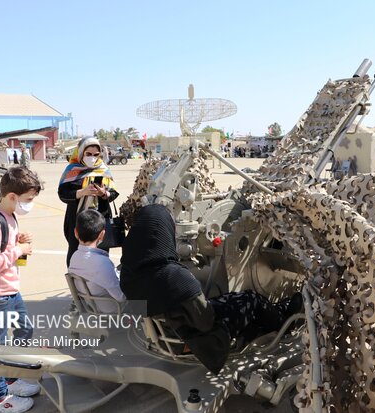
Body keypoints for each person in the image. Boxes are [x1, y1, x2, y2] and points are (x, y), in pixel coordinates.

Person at [119, 204, 302, 374]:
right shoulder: (175, 279)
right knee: (250, 300)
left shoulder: (130, 276)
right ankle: (284, 320)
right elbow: (206, 320)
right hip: (191, 339)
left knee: (232, 298)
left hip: (166, 333)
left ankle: (272, 315)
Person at [0, 166, 42, 413]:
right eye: (28, 200)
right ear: (12, 196)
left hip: (11, 291)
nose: (30, 205)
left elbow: (5, 252)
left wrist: (17, 242)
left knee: (25, 330)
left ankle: (11, 378)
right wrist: (18, 251)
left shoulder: (10, 217)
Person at [58, 137, 119, 266]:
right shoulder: (72, 170)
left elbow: (113, 193)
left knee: (101, 254)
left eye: (96, 155)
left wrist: (104, 193)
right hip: (77, 220)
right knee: (76, 253)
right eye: (88, 154)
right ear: (81, 153)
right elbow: (62, 194)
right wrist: (82, 192)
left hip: (100, 219)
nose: (92, 157)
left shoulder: (104, 170)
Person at [68, 209, 126, 313]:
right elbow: (121, 297)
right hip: (114, 310)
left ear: (76, 232)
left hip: (92, 306)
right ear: (102, 234)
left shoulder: (74, 257)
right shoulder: (102, 263)